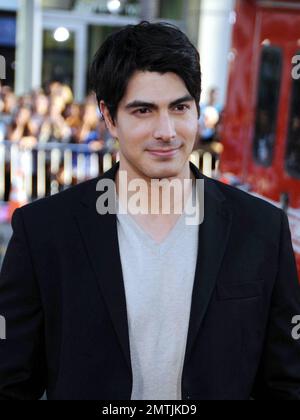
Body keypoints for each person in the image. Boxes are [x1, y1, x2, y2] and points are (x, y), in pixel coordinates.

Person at [0, 21, 299, 401]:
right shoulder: (44, 231)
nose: (167, 131)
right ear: (109, 117)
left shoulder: (260, 229)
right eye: (143, 110)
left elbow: (286, 382)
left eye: (179, 107)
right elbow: (10, 382)